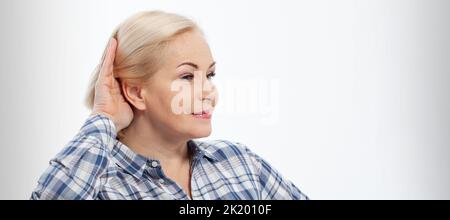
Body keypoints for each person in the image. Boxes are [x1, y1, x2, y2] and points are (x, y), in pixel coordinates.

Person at [30, 11, 308, 200]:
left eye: (209, 75)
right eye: (187, 76)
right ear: (136, 92)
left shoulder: (239, 162)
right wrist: (104, 117)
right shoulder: (101, 183)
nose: (208, 91)